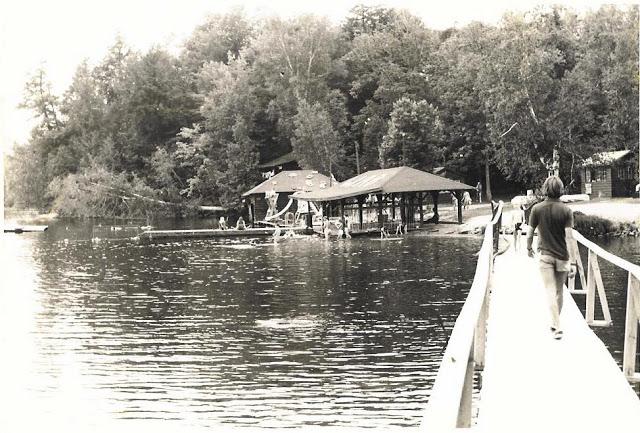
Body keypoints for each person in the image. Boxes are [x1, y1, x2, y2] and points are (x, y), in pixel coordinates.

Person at [526, 176, 577, 340]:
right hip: (562, 256)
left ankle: (557, 326)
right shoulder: (566, 210)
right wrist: (574, 262)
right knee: (559, 291)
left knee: (549, 290)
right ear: (560, 189)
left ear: (545, 189)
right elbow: (570, 238)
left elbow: (530, 231)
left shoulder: (537, 209)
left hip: (546, 255)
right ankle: (556, 322)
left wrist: (528, 247)